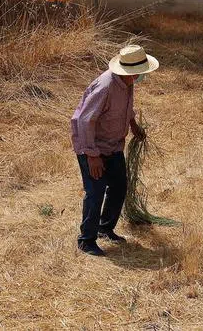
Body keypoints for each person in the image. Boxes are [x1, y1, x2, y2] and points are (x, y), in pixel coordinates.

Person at [69, 43, 159, 256]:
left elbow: (125, 109)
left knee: (119, 186)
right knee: (95, 191)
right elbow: (83, 120)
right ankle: (86, 241)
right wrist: (92, 155)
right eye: (140, 73)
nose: (141, 77)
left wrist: (133, 126)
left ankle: (105, 228)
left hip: (114, 146)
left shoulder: (128, 82)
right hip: (92, 147)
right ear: (130, 71)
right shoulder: (105, 86)